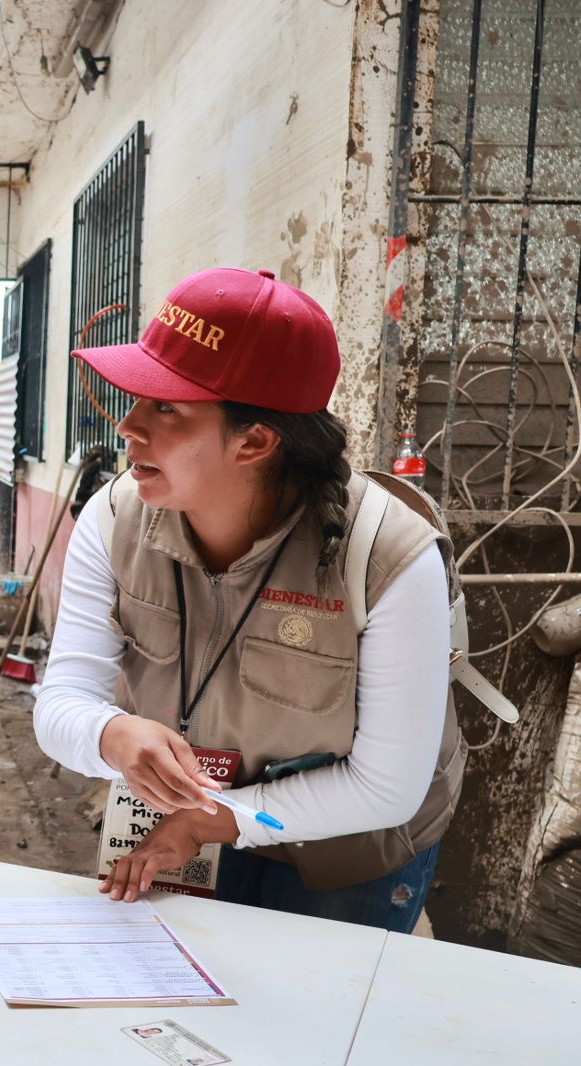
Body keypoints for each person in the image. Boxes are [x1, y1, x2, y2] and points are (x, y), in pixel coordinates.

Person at [34, 268, 463, 933]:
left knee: (315, 1023)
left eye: (166, 406)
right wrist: (112, 735)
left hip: (348, 849)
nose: (128, 425)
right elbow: (60, 702)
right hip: (180, 820)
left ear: (255, 441)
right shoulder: (112, 519)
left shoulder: (389, 559)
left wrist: (222, 818)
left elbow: (386, 786)